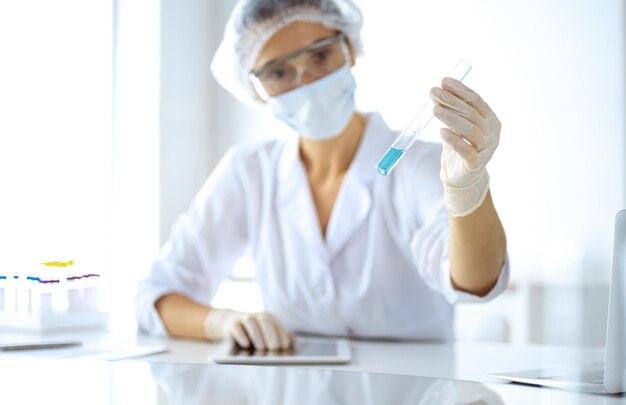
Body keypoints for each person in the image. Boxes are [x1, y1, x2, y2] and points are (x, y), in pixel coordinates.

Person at [135, 0, 509, 351]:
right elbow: (157, 296)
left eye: (321, 54)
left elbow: (475, 284)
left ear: (349, 48)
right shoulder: (249, 173)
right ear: (255, 87)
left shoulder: (420, 164)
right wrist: (221, 322)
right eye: (278, 72)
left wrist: (469, 191)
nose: (307, 81)